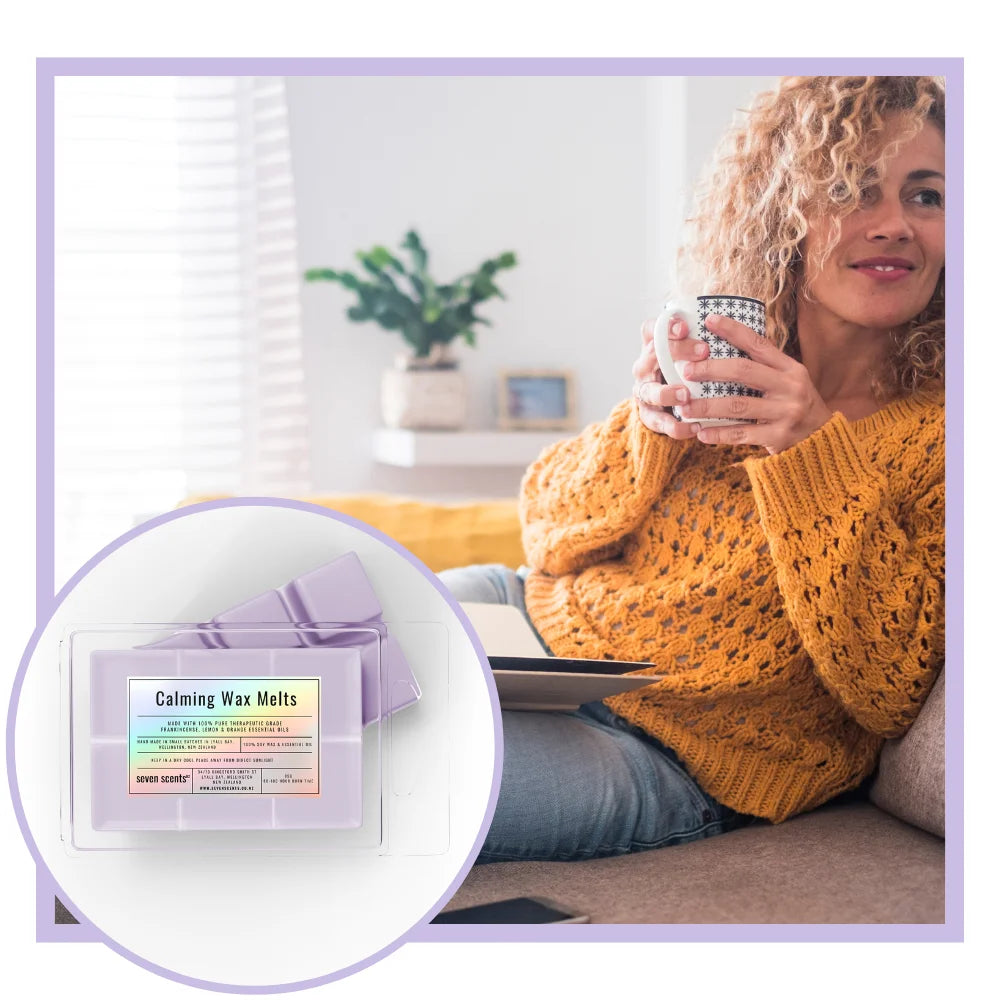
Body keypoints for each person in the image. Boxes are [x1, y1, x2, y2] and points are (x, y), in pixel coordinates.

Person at [442, 76, 945, 864]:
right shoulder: (724, 358)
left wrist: (810, 450)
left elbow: (894, 689)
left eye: (927, 196)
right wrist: (646, 429)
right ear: (783, 213)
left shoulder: (950, 435)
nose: (893, 224)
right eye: (850, 189)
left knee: (335, 772)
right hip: (527, 623)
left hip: (663, 760)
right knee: (274, 652)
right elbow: (545, 527)